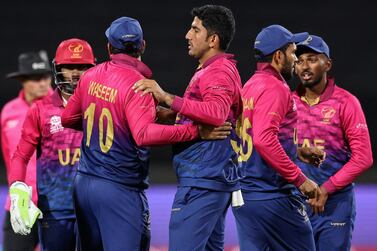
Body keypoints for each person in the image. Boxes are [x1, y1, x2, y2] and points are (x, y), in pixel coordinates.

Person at [60, 16, 218, 251]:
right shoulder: (139, 84)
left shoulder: (90, 76)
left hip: (84, 184)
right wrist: (194, 131)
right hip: (119, 189)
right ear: (142, 46)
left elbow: (68, 118)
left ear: (109, 47)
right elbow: (144, 134)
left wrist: (114, 120)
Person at [132, 5, 243, 250]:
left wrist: (167, 97)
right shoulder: (213, 70)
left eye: (195, 29)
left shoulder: (218, 72)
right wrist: (168, 115)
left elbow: (216, 113)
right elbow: (202, 112)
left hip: (203, 180)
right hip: (211, 179)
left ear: (213, 39)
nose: (187, 35)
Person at [230, 25, 320, 250]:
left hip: (245, 196)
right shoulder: (275, 88)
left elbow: (250, 134)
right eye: (292, 52)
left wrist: (296, 150)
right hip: (272, 195)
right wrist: (300, 179)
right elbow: (263, 139)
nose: (295, 59)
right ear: (279, 56)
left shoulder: (249, 85)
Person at [8, 38, 95, 251]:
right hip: (57, 211)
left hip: (96, 209)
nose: (75, 73)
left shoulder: (103, 104)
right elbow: (20, 155)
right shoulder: (41, 110)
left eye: (82, 67)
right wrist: (17, 187)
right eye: (69, 67)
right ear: (58, 69)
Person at [293, 35, 373, 250]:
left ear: (327, 64)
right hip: (294, 204)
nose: (304, 67)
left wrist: (327, 189)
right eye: (299, 61)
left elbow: (363, 158)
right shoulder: (286, 102)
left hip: (335, 204)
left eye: (311, 59)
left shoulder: (346, 102)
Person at [1, 51, 52, 251]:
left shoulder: (64, 109)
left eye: (46, 77)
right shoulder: (8, 112)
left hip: (58, 204)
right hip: (21, 205)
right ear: (22, 80)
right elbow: (9, 157)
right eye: (36, 78)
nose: (43, 83)